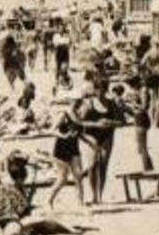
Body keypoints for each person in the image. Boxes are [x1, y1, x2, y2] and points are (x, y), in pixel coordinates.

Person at [75, 76, 121, 206]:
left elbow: (121, 121)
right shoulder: (89, 104)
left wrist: (110, 122)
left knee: (103, 166)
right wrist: (96, 124)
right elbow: (79, 122)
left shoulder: (111, 104)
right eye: (99, 90)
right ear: (95, 90)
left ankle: (99, 195)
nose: (101, 92)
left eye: (104, 90)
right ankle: (93, 194)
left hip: (107, 135)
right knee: (92, 165)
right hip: (91, 135)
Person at [46, 97, 88, 213]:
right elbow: (51, 130)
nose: (76, 104)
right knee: (62, 178)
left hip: (74, 147)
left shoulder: (79, 117)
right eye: (74, 102)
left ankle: (80, 204)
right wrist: (63, 135)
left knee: (78, 176)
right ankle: (49, 201)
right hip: (61, 147)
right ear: (70, 102)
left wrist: (92, 145)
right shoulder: (64, 115)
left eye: (78, 102)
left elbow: (81, 135)